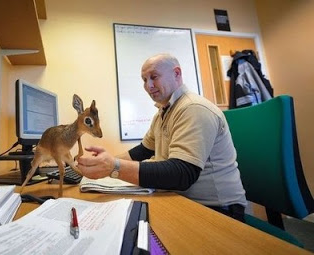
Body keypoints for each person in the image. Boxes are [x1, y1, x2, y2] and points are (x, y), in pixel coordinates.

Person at [77, 53, 247, 222]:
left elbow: (182, 174)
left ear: (177, 73)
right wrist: (101, 162)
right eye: (144, 80)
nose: (148, 85)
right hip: (181, 199)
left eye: (154, 77)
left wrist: (113, 167)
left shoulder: (194, 109)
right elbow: (142, 151)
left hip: (218, 209)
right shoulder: (162, 113)